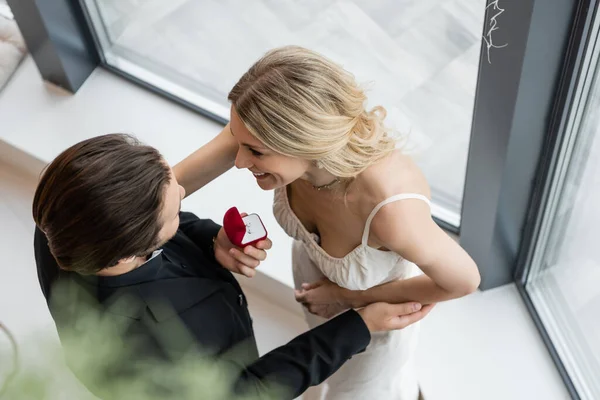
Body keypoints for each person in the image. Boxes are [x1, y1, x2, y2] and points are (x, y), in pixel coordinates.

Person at [174, 45, 481, 399]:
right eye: (237, 142)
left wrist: (342, 294)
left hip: (374, 317)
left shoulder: (389, 209)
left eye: (255, 152)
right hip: (314, 291)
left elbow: (464, 281)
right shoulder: (262, 135)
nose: (239, 160)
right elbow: (170, 186)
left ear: (307, 143)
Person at [32, 134, 432, 399]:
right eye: (174, 209)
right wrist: (359, 326)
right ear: (128, 249)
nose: (184, 190)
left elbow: (162, 229)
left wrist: (209, 242)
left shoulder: (63, 221)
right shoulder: (149, 349)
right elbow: (250, 391)